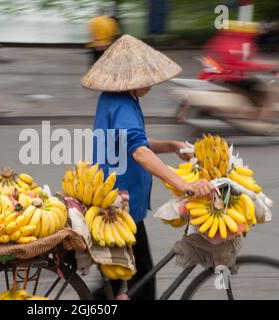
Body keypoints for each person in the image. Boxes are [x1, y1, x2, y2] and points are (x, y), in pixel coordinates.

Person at [81, 35, 216, 300]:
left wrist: (172, 145)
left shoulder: (114, 98)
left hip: (121, 202)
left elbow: (136, 142)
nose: (152, 85)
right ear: (135, 80)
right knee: (140, 280)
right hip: (120, 206)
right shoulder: (123, 106)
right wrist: (184, 184)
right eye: (149, 80)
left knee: (121, 279)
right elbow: (139, 152)